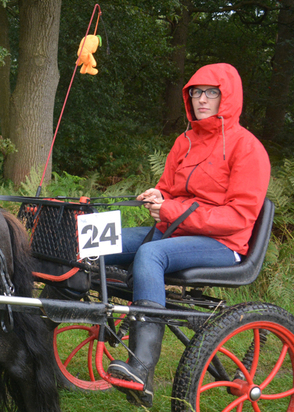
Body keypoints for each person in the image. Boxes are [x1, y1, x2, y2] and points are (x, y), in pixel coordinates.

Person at [105, 63, 271, 407]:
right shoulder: (185, 141)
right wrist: (157, 195)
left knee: (151, 254)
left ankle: (142, 368)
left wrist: (169, 210)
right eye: (196, 92)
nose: (202, 99)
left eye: (212, 92)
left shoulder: (248, 148)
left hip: (225, 244)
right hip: (175, 231)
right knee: (101, 242)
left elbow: (238, 216)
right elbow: (169, 190)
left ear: (228, 97)